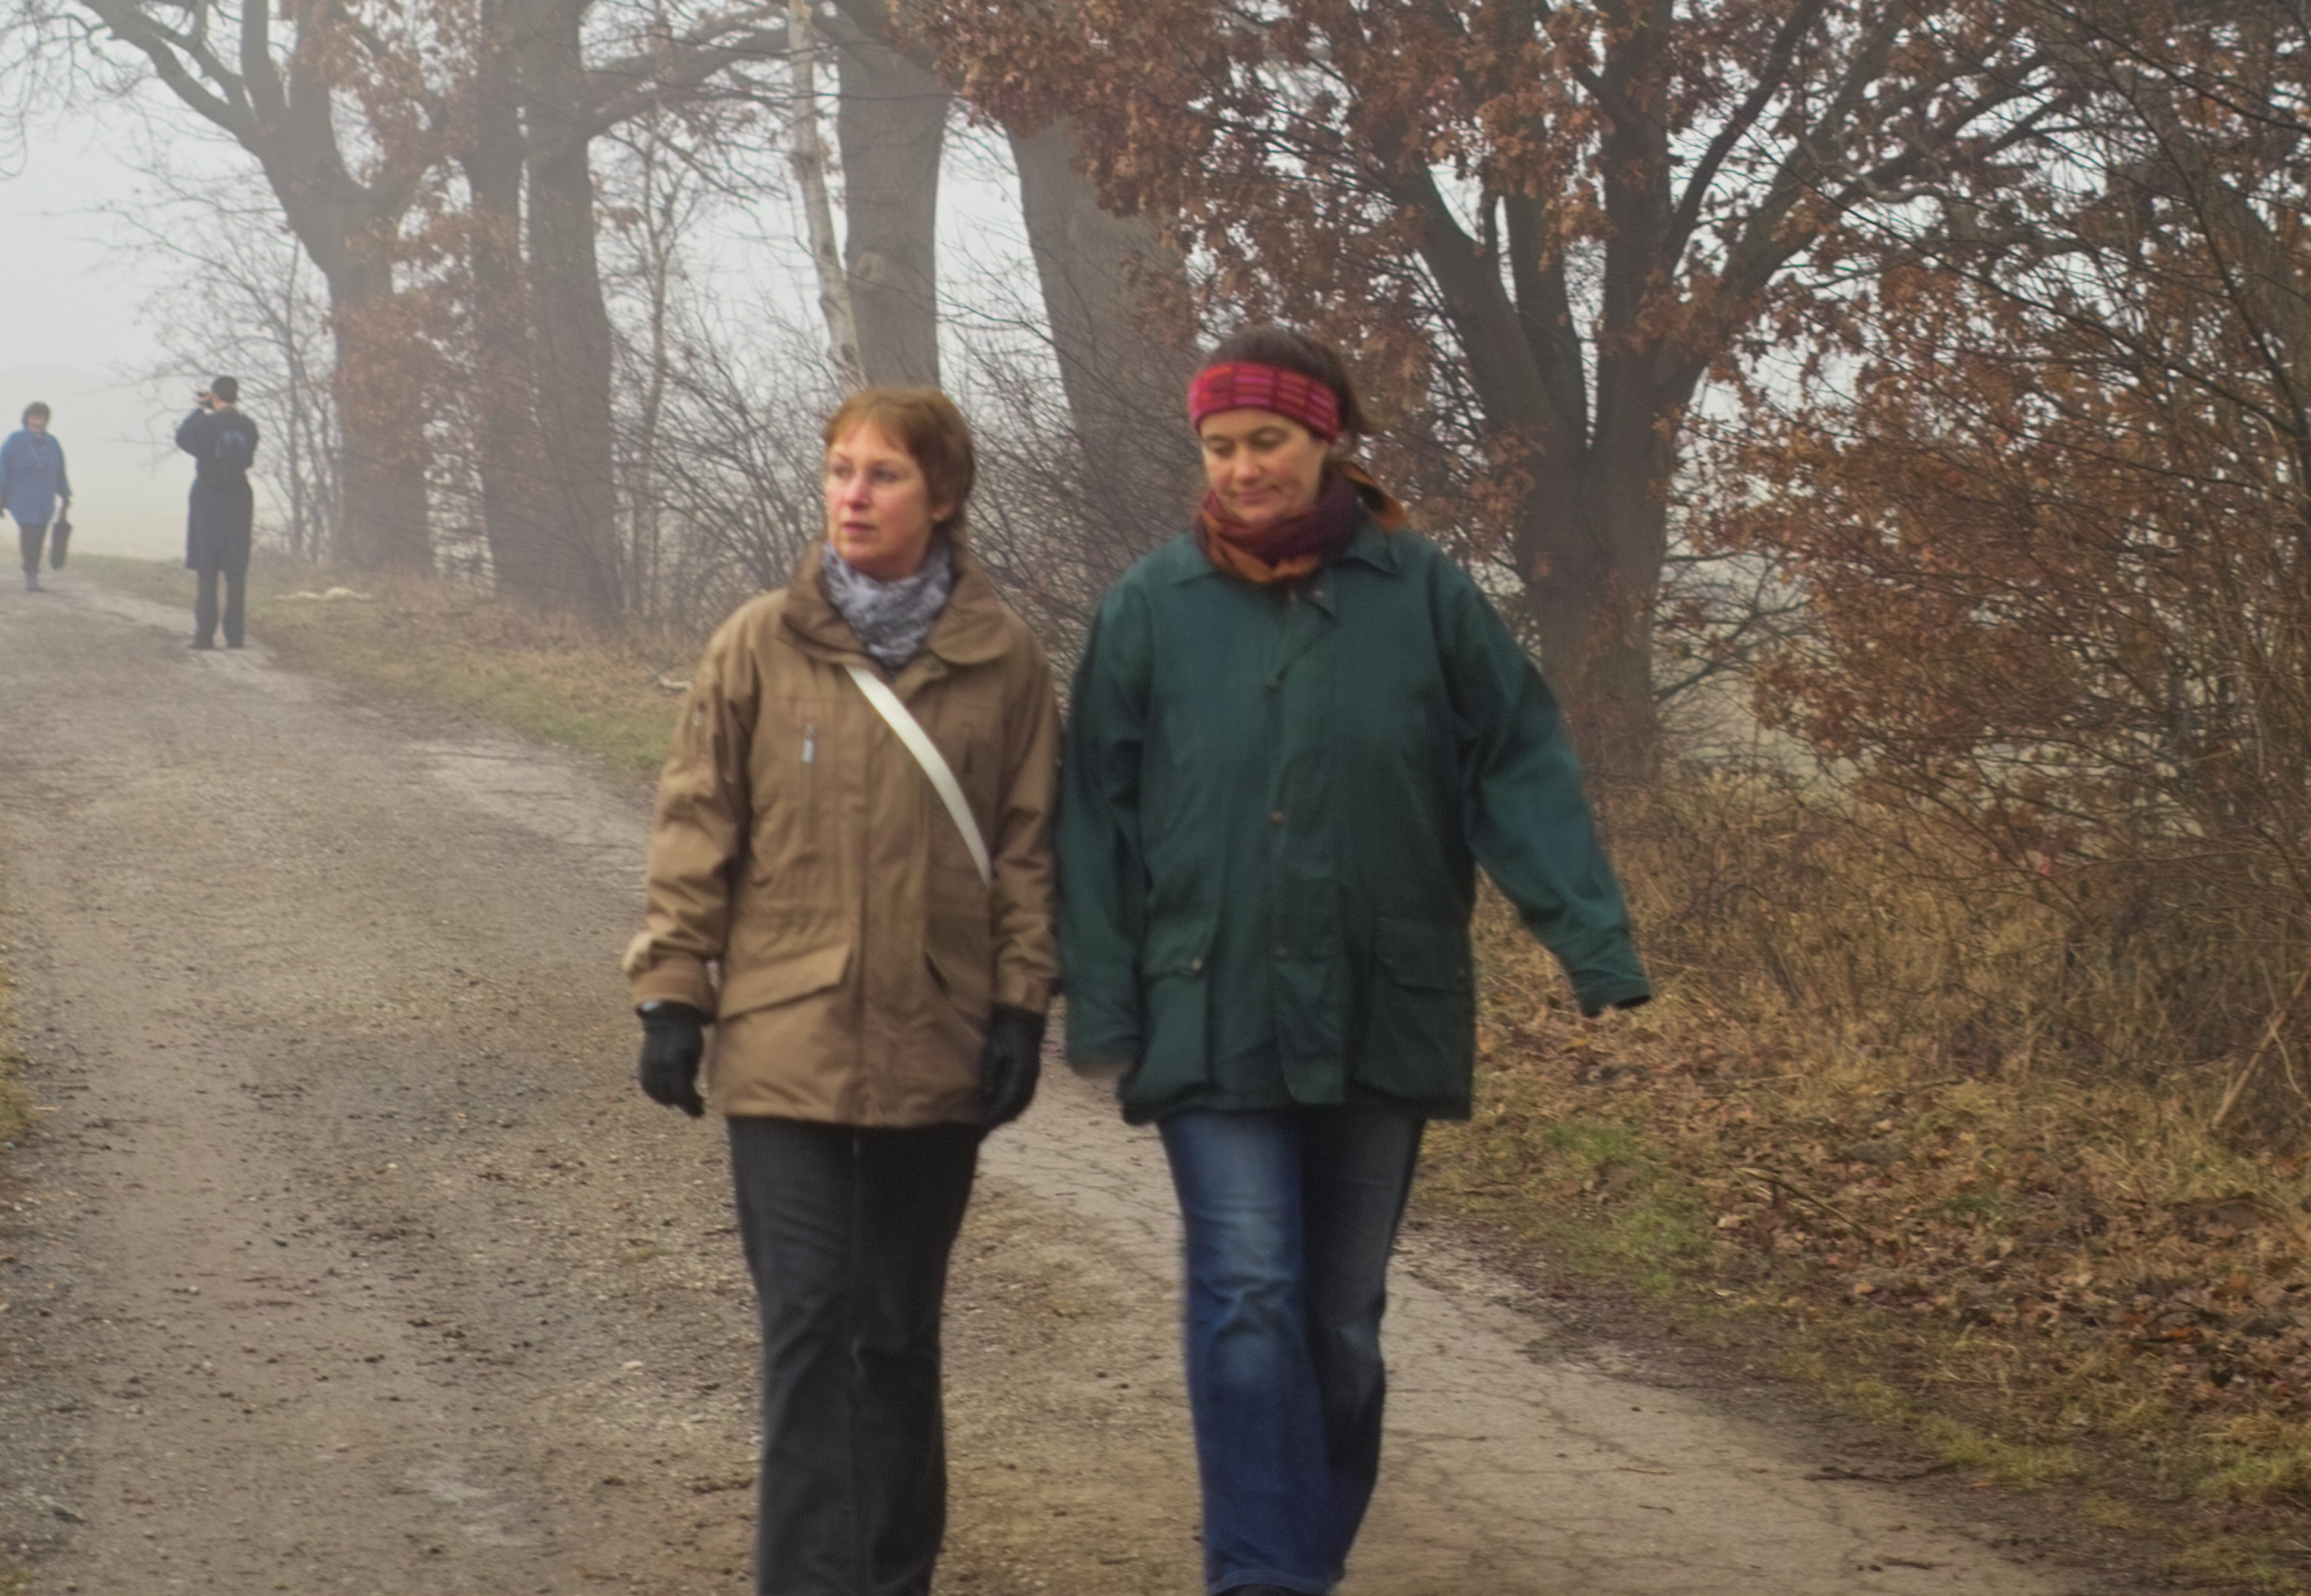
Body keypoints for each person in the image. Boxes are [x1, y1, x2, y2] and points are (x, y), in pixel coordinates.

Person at [1057, 327, 1651, 1596]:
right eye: (1219, 445)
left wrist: (1587, 937)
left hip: (1385, 1001)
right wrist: (1103, 992)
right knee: (1247, 1287)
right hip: (1207, 1003)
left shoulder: (1422, 594)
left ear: (1327, 438)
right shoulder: (1151, 606)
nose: (1241, 467)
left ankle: (1302, 1554)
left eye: (1266, 440)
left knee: (1337, 1312)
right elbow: (1094, 815)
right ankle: (1261, 1572)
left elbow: (1518, 759)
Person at [627, 386, 1059, 1596]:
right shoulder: (756, 644)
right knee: (811, 1325)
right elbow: (696, 820)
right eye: (839, 471)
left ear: (944, 494)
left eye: (884, 474)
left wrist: (1020, 1003)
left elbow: (1028, 846)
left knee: (894, 1330)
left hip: (938, 1039)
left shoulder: (1005, 661)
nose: (853, 495)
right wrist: (674, 989)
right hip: (785, 1037)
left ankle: (890, 1574)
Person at [175, 375, 260, 650]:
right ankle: (235, 636)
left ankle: (204, 636)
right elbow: (248, 458)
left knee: (207, 567)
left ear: (214, 396)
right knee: (236, 570)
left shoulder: (205, 425)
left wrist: (200, 409)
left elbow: (183, 439)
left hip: (209, 498)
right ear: (237, 395)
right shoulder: (249, 426)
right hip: (239, 498)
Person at [0, 402, 72, 592]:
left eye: (42, 417)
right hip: (22, 498)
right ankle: (30, 573)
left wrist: (65, 494)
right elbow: (3, 466)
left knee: (40, 535)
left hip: (45, 499)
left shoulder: (53, 443)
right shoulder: (15, 441)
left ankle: (33, 571)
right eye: (34, 416)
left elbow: (60, 471)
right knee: (29, 535)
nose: (38, 420)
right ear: (27, 419)